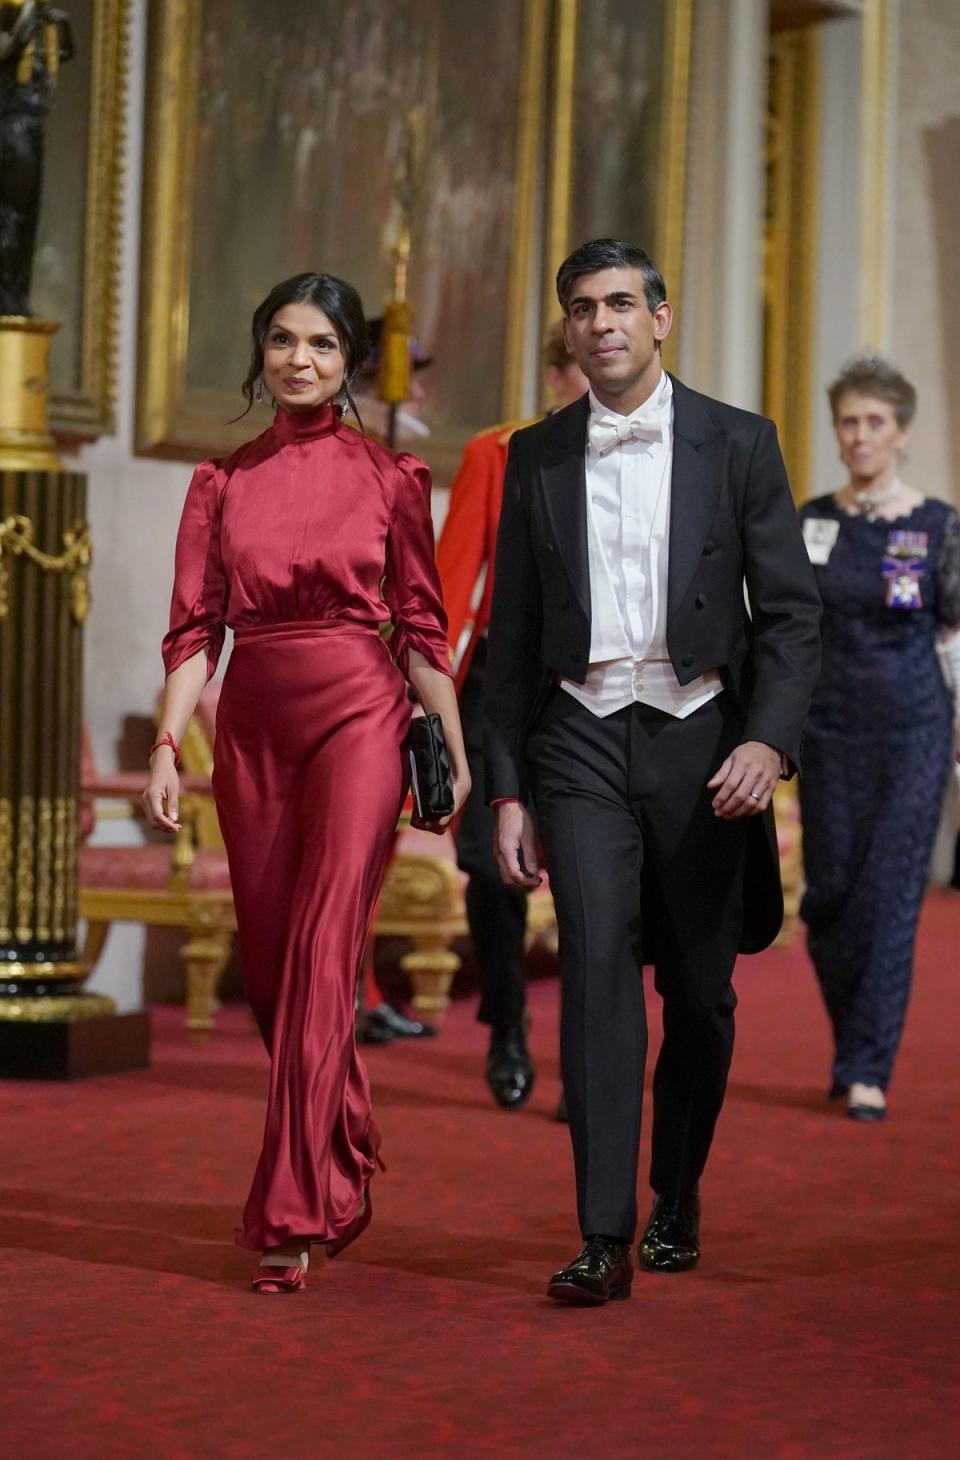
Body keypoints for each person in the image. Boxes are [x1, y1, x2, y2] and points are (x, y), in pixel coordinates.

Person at [484, 238, 821, 1306]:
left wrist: (767, 740)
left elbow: (794, 615)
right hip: (577, 736)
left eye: (621, 302)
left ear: (662, 317)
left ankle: (676, 1188)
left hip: (704, 741)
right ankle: (602, 1231)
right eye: (582, 307)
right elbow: (509, 638)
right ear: (570, 328)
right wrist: (505, 786)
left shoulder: (740, 443)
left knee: (702, 996)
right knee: (592, 967)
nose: (602, 323)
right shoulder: (534, 455)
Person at [143, 272, 469, 1293]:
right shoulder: (220, 483)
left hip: (360, 716)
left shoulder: (393, 479)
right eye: (283, 339)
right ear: (259, 352)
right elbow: (195, 635)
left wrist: (453, 747)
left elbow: (420, 627)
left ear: (351, 360)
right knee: (281, 970)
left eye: (323, 344)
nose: (300, 359)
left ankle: (292, 1211)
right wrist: (164, 745)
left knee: (331, 946)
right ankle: (342, 1130)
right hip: (251, 730)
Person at [798, 354, 960, 1122]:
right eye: (848, 422)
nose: (859, 437)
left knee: (892, 898)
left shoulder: (935, 525)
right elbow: (789, 630)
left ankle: (868, 1066)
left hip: (915, 730)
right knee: (829, 898)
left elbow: (955, 637)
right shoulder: (812, 521)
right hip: (828, 729)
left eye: (874, 423)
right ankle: (849, 1038)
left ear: (900, 433)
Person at [436, 324, 587, 1108]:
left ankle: (584, 1051)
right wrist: (423, 690)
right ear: (555, 373)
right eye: (577, 366)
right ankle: (508, 1027)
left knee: (588, 868)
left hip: (594, 682)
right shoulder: (497, 453)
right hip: (502, 676)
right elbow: (453, 578)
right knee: (491, 866)